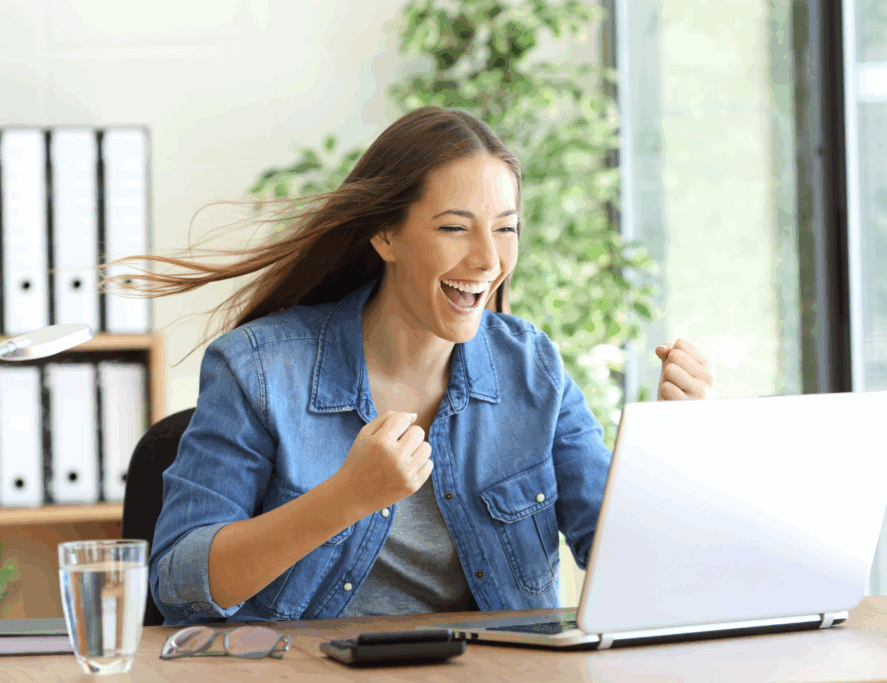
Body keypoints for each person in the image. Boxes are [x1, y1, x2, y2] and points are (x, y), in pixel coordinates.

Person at [119, 106, 713, 625]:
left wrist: (674, 450)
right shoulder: (259, 369)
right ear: (386, 235)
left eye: (506, 229)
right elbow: (177, 584)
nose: (487, 259)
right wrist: (347, 497)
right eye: (455, 228)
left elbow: (627, 565)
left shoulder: (533, 369)